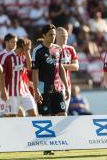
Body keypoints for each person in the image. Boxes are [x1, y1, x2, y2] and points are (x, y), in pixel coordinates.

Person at [32, 24, 70, 155]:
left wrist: (66, 86)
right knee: (47, 117)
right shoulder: (37, 50)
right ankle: (47, 146)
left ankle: (60, 142)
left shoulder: (58, 49)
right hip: (44, 88)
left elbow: (61, 68)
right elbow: (35, 72)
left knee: (62, 114)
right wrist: (36, 90)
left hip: (58, 87)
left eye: (54, 35)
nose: (53, 37)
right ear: (44, 36)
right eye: (50, 35)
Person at [1, 38, 37, 117]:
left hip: (25, 92)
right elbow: (2, 75)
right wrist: (3, 90)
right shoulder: (7, 57)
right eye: (27, 48)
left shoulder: (24, 56)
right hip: (11, 93)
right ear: (22, 47)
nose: (29, 50)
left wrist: (27, 52)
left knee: (33, 114)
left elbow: (29, 67)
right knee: (12, 117)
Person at [56, 27, 79, 110]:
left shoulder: (71, 49)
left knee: (64, 111)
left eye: (66, 36)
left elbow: (76, 66)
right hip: (54, 86)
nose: (65, 38)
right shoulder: (51, 50)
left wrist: (60, 66)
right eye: (62, 36)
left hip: (67, 86)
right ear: (56, 37)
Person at [0, 34, 17, 116]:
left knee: (15, 114)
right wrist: (2, 91)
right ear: (6, 42)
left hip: (14, 92)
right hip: (1, 91)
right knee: (5, 115)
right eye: (12, 42)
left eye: (15, 42)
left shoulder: (16, 55)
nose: (15, 44)